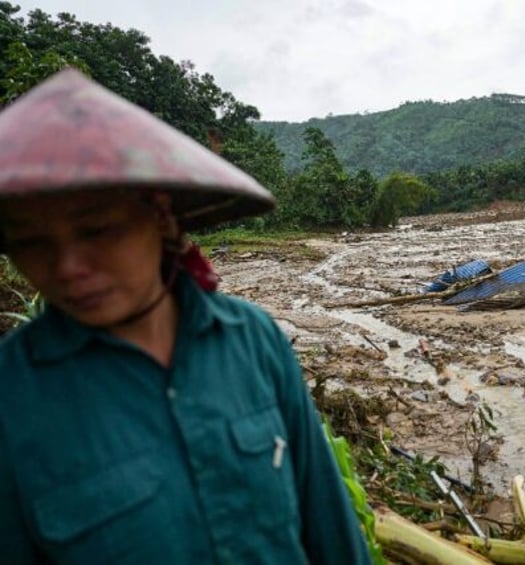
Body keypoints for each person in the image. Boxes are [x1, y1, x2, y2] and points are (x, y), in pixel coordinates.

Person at [0, 69, 372, 564]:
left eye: (96, 231)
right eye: (31, 242)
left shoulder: (253, 340)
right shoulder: (11, 398)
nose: (68, 268)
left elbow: (331, 529)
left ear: (161, 218)